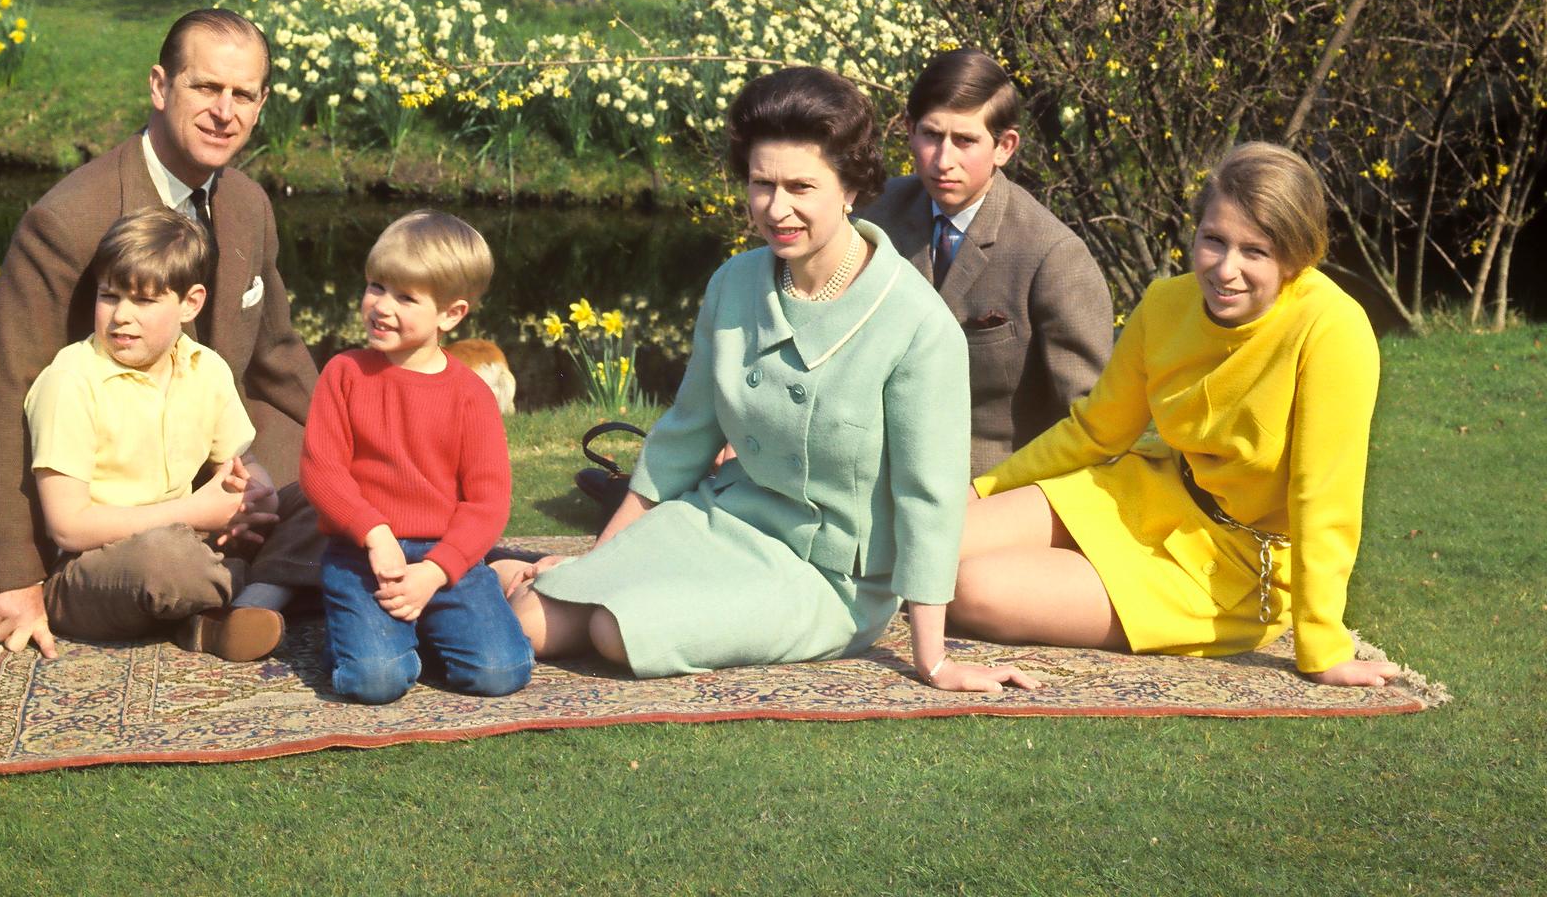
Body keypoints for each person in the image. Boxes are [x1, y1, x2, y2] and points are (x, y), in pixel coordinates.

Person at [503, 66, 1037, 695]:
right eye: (761, 184)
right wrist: (604, 557)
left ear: (850, 188)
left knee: (616, 634)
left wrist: (934, 660)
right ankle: (500, 582)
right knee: (533, 623)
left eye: (800, 187)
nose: (775, 209)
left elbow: (929, 501)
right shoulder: (734, 283)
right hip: (722, 519)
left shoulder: (917, 325)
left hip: (831, 580)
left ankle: (513, 575)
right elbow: (685, 436)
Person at [951, 142, 1402, 688]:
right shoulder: (1166, 303)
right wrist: (984, 488)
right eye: (1213, 240)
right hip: (1149, 491)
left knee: (966, 589)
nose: (1226, 270)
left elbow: (1323, 496)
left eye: (1254, 251)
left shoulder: (1332, 329)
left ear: (1295, 255)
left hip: (1233, 566)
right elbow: (1097, 430)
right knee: (926, 546)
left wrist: (1323, 645)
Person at [0, 7, 320, 659]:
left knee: (344, 492)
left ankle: (246, 598)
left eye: (243, 94)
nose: (225, 110)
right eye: (206, 87)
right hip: (108, 504)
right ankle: (251, 585)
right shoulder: (68, 221)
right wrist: (13, 576)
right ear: (160, 86)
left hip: (206, 454)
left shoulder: (247, 204)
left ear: (261, 103)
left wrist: (360, 445)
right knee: (167, 563)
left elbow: (278, 355)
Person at [23, 208, 284, 658]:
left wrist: (255, 497)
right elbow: (67, 528)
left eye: (143, 301)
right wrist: (196, 512)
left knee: (314, 508)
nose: (121, 316)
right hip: (99, 567)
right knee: (168, 560)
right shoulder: (71, 381)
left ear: (191, 303)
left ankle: (216, 618)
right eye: (109, 296)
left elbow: (241, 462)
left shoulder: (206, 368)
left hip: (193, 541)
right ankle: (264, 592)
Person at [299, 212, 533, 704]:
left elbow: (488, 504)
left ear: (450, 314)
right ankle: (354, 642)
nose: (381, 307)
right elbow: (322, 472)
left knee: (502, 672)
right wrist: (374, 532)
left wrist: (436, 571)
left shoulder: (471, 395)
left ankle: (420, 622)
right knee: (376, 681)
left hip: (446, 559)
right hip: (363, 554)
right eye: (376, 287)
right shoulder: (344, 374)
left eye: (406, 298)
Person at [860, 48, 1113, 474]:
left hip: (991, 485)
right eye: (930, 135)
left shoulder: (1052, 257)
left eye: (965, 141)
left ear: (1004, 146)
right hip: (870, 467)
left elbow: (1090, 425)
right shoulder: (874, 216)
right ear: (908, 131)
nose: (943, 161)